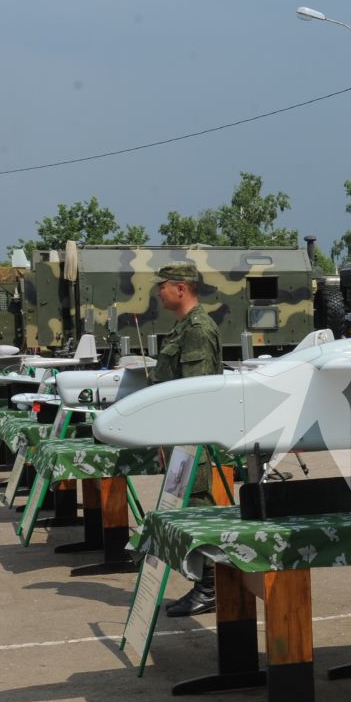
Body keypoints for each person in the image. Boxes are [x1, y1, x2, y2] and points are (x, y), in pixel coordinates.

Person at [150, 261, 224, 616]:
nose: (158, 291)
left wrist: (178, 443)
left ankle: (210, 587)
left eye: (162, 285)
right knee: (189, 512)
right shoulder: (183, 327)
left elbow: (195, 393)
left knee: (198, 511)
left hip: (190, 439)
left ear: (181, 288)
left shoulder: (196, 329)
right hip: (178, 438)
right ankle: (204, 584)